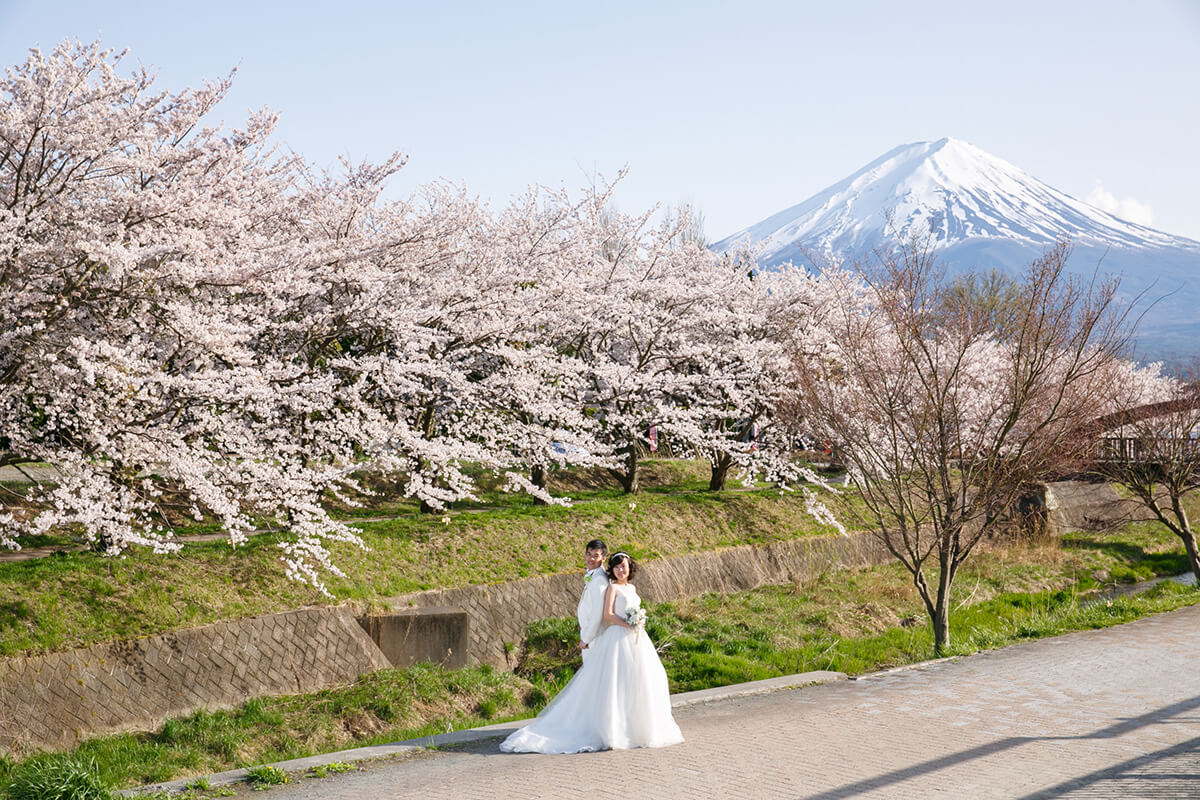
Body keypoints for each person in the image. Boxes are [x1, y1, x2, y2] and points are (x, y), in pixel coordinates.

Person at [499, 551, 684, 754]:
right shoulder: (612, 588)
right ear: (612, 570)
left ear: (630, 567)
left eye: (624, 566)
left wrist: (639, 621)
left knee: (641, 679)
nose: (621, 570)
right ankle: (613, 730)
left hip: (637, 639)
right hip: (618, 637)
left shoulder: (632, 588)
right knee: (615, 681)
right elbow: (607, 615)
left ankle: (636, 727)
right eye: (617, 567)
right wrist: (627, 623)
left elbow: (636, 609)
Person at [578, 538, 609, 663]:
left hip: (594, 639)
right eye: (588, 554)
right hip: (589, 632)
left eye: (596, 556)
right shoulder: (594, 575)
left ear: (603, 558)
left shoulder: (600, 581)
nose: (590, 559)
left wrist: (585, 638)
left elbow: (598, 614)